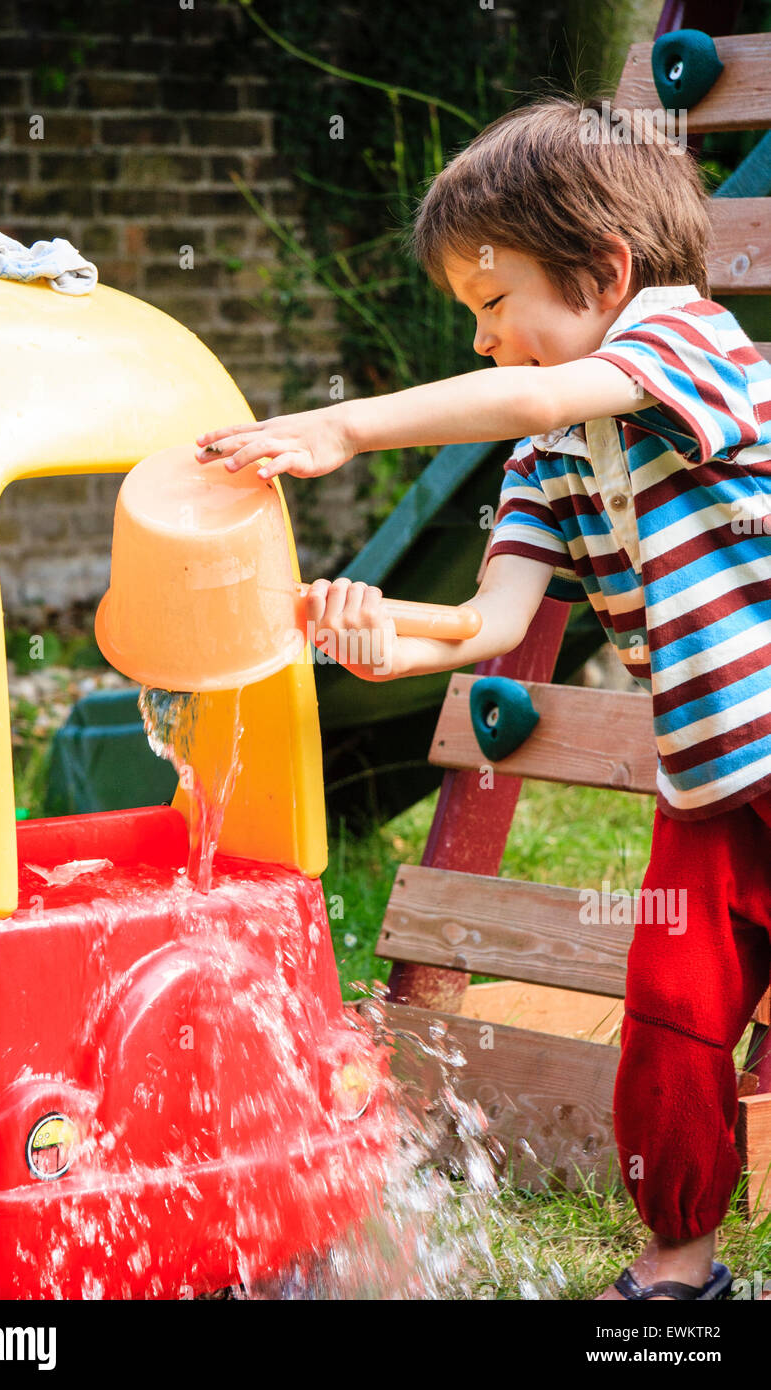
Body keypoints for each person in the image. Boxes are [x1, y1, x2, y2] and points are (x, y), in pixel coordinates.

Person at [195, 96, 771, 1301]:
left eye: (491, 305)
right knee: (671, 1018)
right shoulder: (547, 460)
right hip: (709, 787)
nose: (480, 343)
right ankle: (677, 1264)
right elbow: (486, 623)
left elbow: (536, 395)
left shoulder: (688, 340)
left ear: (605, 272)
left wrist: (345, 427)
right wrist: (360, 629)